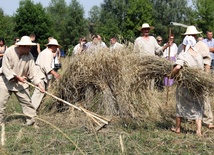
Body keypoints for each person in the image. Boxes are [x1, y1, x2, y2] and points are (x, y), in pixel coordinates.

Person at [0, 36, 44, 126]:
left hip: (21, 82)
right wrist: (16, 77)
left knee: (27, 102)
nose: (30, 48)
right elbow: (5, 68)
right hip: (5, 81)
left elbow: (33, 73)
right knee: (0, 103)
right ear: (22, 46)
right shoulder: (9, 51)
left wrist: (39, 85)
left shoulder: (30, 56)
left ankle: (31, 122)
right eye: (28, 47)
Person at [170, 27, 204, 136]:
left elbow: (178, 67)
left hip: (185, 85)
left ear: (185, 44)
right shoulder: (198, 55)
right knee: (198, 106)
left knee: (180, 105)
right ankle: (198, 131)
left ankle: (178, 128)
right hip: (197, 84)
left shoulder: (184, 54)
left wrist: (171, 75)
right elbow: (201, 70)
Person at [31, 38, 61, 110]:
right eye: (56, 47)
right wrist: (55, 74)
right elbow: (46, 67)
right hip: (39, 74)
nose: (57, 48)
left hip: (40, 73)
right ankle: (31, 110)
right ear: (52, 46)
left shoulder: (45, 52)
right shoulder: (48, 53)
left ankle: (35, 109)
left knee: (41, 91)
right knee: (39, 92)